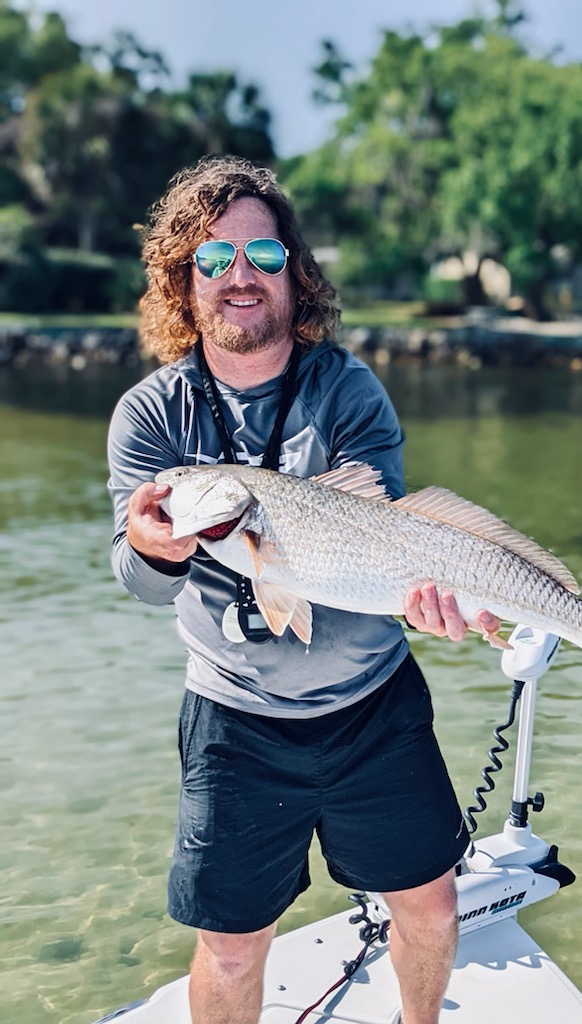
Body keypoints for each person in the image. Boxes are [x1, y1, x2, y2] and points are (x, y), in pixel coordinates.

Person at [107, 154, 500, 1024]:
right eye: (213, 260)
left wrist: (427, 596)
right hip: (236, 720)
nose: (240, 277)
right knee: (231, 945)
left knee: (432, 908)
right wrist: (151, 541)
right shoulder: (149, 418)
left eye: (264, 257)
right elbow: (136, 579)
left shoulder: (348, 386)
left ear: (297, 271)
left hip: (373, 705)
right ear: (184, 278)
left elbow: (378, 522)